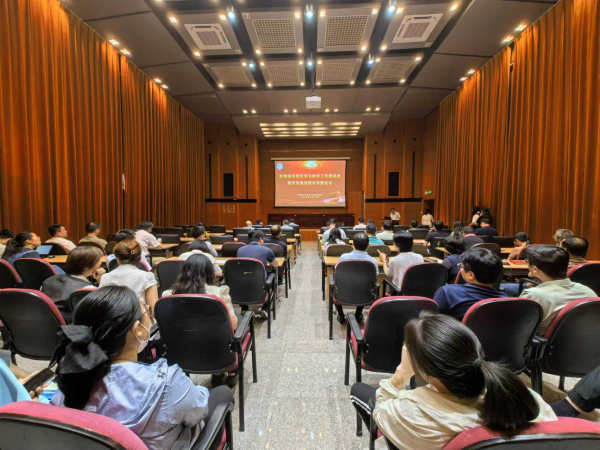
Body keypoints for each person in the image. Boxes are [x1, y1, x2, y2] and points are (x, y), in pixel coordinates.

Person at [51, 286, 234, 450]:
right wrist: (196, 390)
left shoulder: (68, 384)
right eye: (145, 312)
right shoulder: (166, 382)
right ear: (137, 329)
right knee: (222, 393)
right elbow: (198, 411)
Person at [351, 312, 556, 450]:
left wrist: (400, 375)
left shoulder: (412, 414)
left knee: (358, 390)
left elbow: (380, 413)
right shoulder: (527, 399)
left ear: (427, 373)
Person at [520, 245, 595, 334]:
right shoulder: (588, 291)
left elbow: (518, 328)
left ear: (535, 269)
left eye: (527, 261)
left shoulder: (532, 295)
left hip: (539, 342)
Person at [164, 254, 237, 330]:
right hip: (213, 337)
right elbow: (233, 325)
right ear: (210, 272)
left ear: (184, 271)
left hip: (179, 337)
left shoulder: (168, 295)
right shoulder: (220, 294)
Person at [433, 248, 507, 320]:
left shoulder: (447, 292)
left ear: (470, 275)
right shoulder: (505, 300)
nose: (460, 269)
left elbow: (432, 321)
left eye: (461, 266)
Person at [41, 246, 105, 323]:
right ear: (86, 268)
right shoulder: (87, 289)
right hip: (74, 327)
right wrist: (100, 281)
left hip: (48, 324)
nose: (100, 263)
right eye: (98, 261)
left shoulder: (49, 279)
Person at [100, 240, 158, 313]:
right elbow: (153, 310)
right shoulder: (146, 277)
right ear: (140, 258)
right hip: (139, 319)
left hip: (113, 319)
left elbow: (102, 306)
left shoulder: (105, 277)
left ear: (117, 259)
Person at [336, 233, 378, 323]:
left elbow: (337, 271)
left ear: (353, 244)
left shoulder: (344, 257)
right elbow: (375, 276)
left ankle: (341, 314)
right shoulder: (373, 260)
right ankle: (358, 314)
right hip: (364, 294)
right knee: (363, 285)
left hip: (343, 293)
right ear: (368, 245)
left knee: (334, 286)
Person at [237, 230, 277, 319]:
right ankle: (265, 309)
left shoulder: (240, 250)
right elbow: (275, 264)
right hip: (260, 283)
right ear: (260, 239)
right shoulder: (267, 250)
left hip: (242, 283)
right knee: (273, 279)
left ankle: (244, 308)